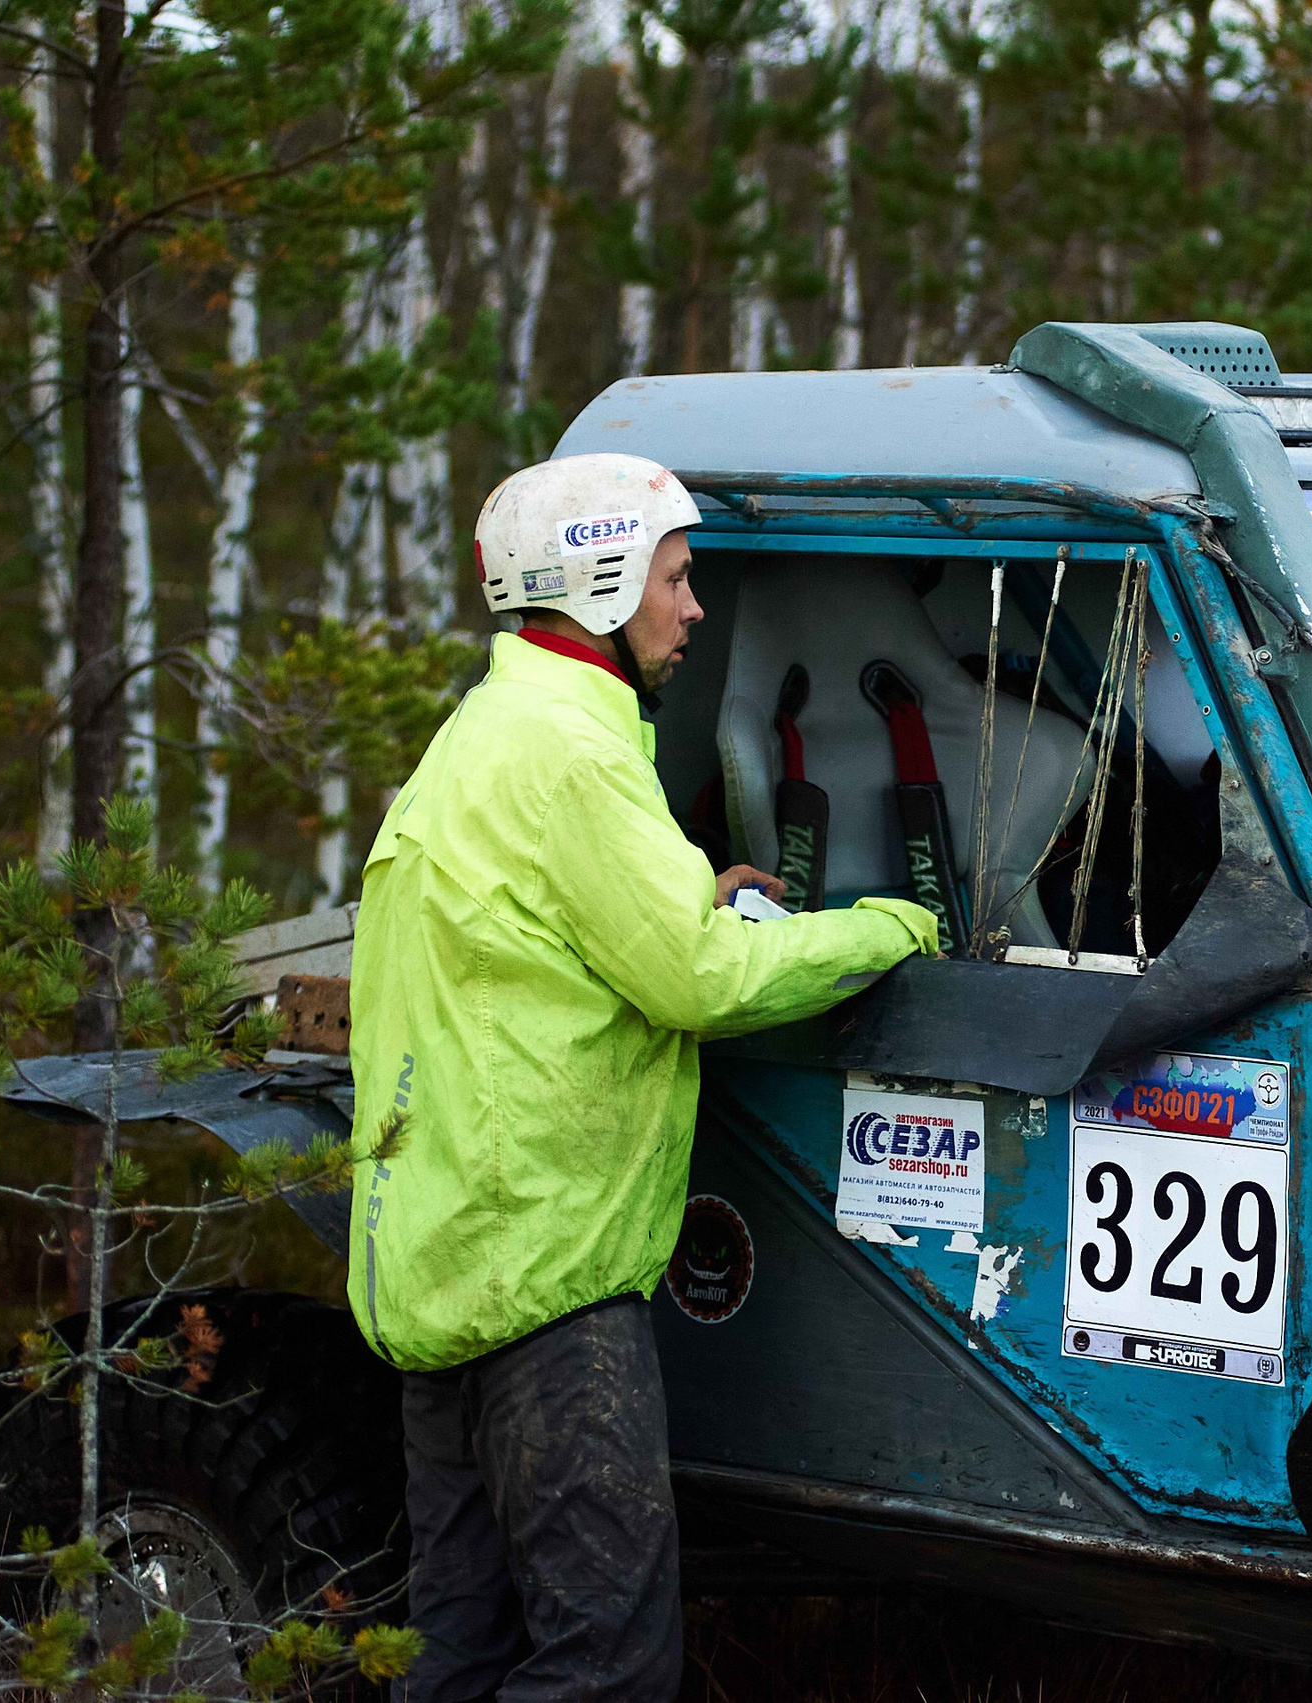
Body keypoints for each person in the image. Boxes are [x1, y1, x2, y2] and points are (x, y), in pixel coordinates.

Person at [343, 452, 940, 1702]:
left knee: (457, 1652)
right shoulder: (573, 753)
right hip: (543, 1288)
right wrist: (893, 926)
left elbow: (555, 933)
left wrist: (692, 894)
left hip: (447, 1268)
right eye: (676, 577)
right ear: (604, 583)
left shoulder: (497, 730)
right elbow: (702, 983)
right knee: (604, 1663)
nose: (695, 607)